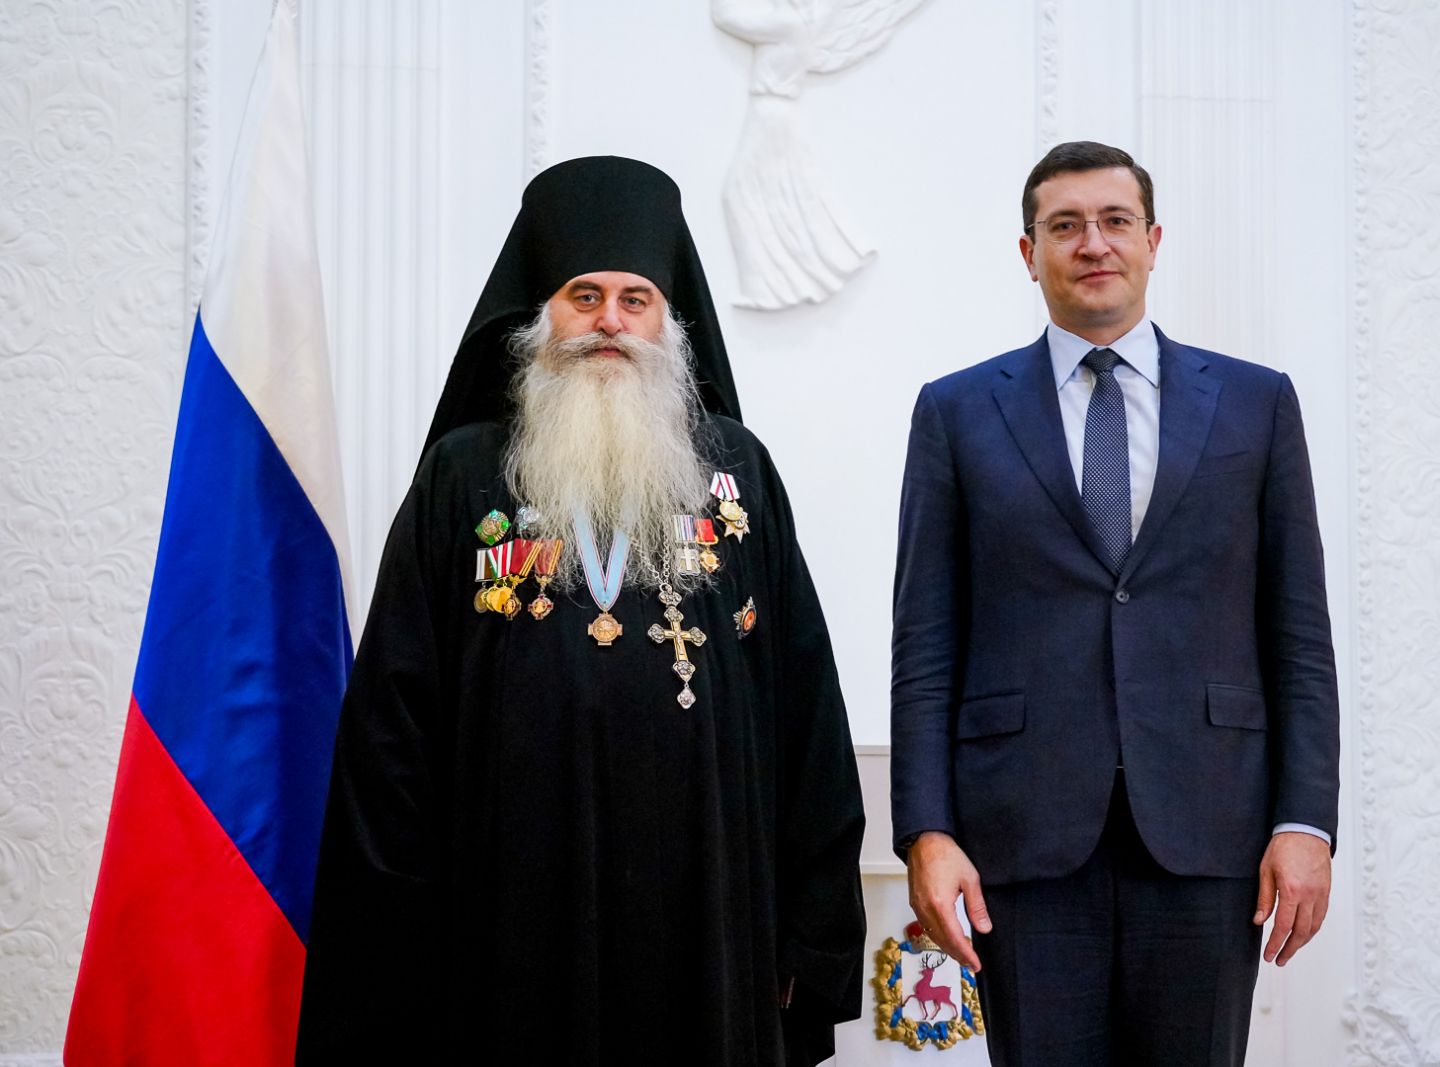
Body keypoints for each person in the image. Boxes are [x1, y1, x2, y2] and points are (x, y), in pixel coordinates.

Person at [296, 156, 866, 1066]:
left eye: (636, 299)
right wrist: (402, 947)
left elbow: (808, 719)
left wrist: (812, 936)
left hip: (708, 921)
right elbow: (391, 730)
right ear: (541, 317)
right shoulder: (463, 475)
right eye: (585, 296)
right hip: (505, 922)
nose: (610, 322)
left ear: (669, 323)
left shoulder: (736, 473)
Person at [889, 141, 1339, 1066]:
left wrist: (1305, 822)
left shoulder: (1256, 404)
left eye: (1115, 221)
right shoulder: (956, 411)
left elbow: (1298, 635)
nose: (1093, 243)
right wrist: (926, 831)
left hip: (1209, 832)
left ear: (1153, 241)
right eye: (1065, 226)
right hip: (1022, 840)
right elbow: (925, 645)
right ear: (1029, 253)